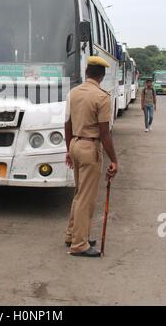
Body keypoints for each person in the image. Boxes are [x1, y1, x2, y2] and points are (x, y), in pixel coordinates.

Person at [64, 56, 118, 257]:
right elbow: (104, 133)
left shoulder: (73, 93)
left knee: (79, 193)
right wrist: (114, 159)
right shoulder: (102, 97)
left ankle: (73, 235)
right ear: (101, 76)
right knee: (86, 197)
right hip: (89, 147)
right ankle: (79, 244)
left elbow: (67, 124)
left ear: (87, 72)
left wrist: (68, 150)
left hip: (75, 144)